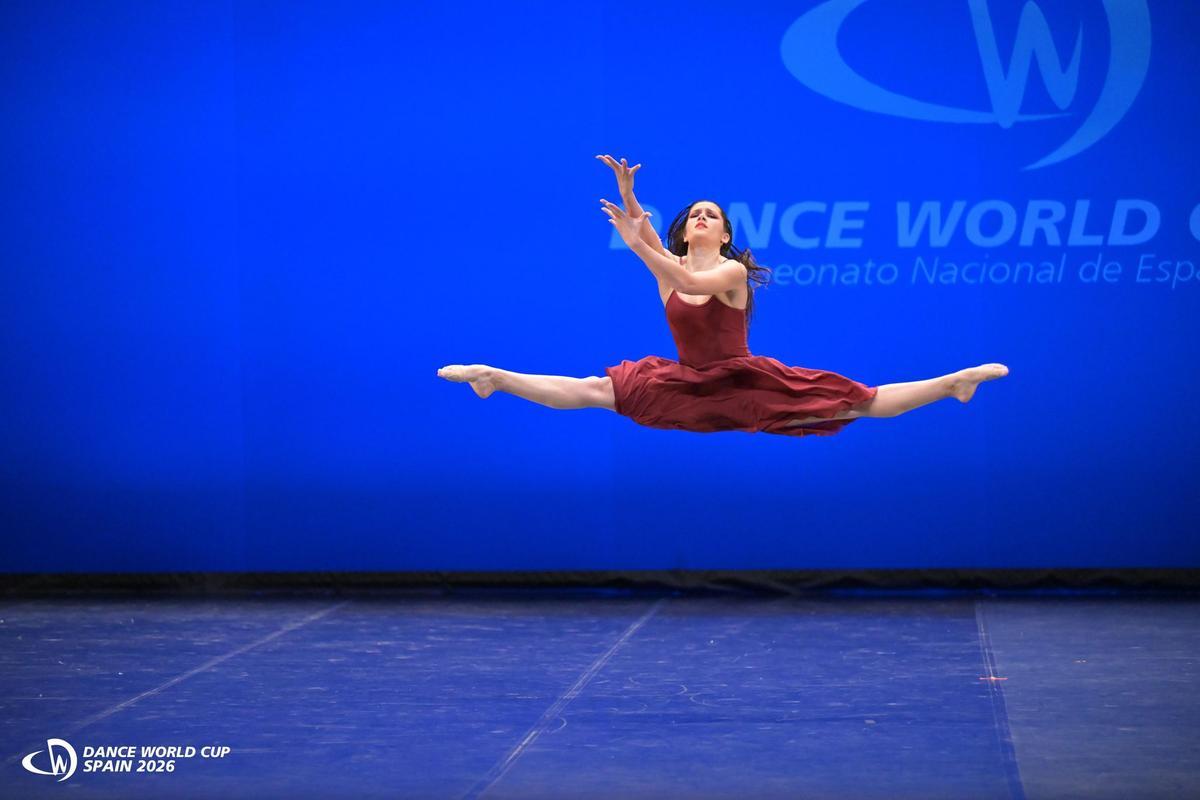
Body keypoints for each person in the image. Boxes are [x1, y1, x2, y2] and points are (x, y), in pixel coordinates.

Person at [437, 155, 1008, 436]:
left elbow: (687, 281)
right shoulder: (668, 262)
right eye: (696, 216)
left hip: (741, 381)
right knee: (594, 390)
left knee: (854, 401)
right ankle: (495, 377)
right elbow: (654, 244)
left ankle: (951, 384)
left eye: (715, 216)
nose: (705, 219)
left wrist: (637, 241)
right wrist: (631, 196)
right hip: (686, 381)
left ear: (727, 234)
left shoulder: (730, 274)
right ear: (685, 231)